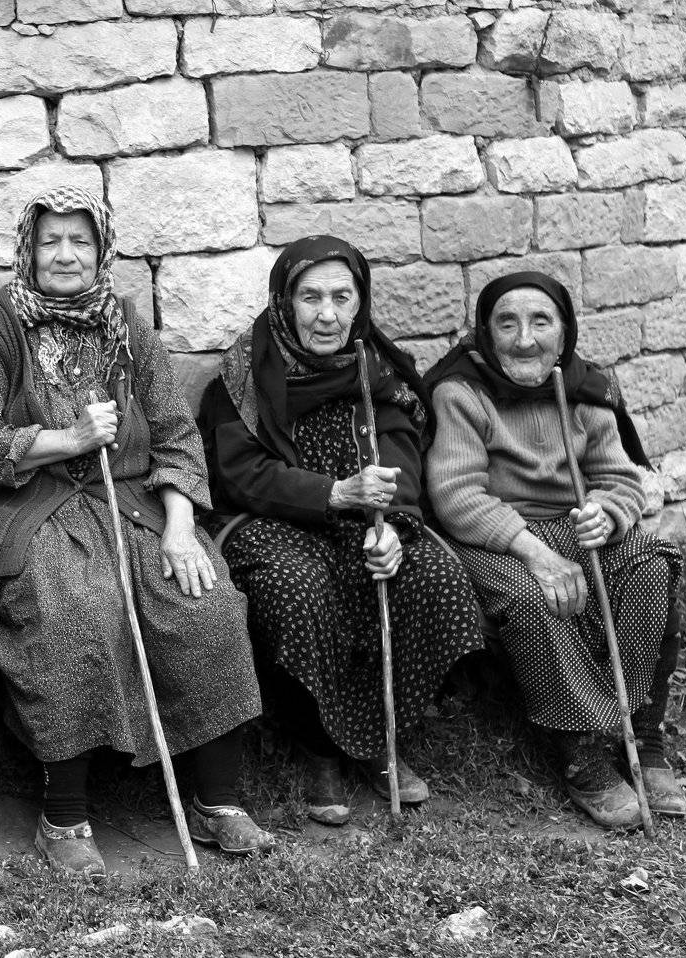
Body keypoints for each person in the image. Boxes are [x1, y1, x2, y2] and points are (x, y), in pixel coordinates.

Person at [0, 187, 275, 878]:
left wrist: (181, 528)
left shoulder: (126, 328)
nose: (65, 255)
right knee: (74, 610)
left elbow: (177, 437)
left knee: (204, 602)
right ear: (27, 251)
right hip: (31, 504)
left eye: (80, 241)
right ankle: (63, 817)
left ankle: (216, 799)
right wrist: (67, 438)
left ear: (102, 252)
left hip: (133, 503)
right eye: (50, 241)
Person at [197, 235, 482, 826]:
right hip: (273, 522)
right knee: (297, 590)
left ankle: (384, 734)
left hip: (367, 521)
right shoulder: (245, 373)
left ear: (360, 302)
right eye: (310, 297)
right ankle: (320, 747)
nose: (327, 315)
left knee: (435, 578)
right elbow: (238, 473)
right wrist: (333, 493)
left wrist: (394, 524)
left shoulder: (376, 368)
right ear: (284, 301)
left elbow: (402, 452)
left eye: (341, 297)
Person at [425, 271, 685, 829]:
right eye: (507, 324)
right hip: (497, 536)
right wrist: (535, 553)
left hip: (573, 525)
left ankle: (640, 733)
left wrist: (606, 514)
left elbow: (620, 480)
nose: (525, 340)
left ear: (564, 333)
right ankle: (581, 753)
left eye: (540, 322)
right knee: (530, 596)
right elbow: (455, 496)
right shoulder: (461, 393)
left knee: (651, 561)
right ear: (485, 334)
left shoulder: (586, 389)